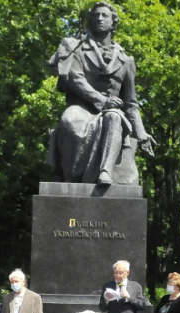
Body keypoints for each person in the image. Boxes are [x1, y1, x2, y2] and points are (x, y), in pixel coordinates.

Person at [47, 1, 156, 184]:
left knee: (114, 117)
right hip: (82, 108)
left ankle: (105, 172)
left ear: (113, 23)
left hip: (111, 112)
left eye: (104, 15)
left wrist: (142, 133)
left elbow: (130, 103)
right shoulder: (78, 48)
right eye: (96, 15)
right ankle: (71, 176)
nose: (99, 18)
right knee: (68, 121)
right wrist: (102, 100)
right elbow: (75, 78)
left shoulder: (125, 60)